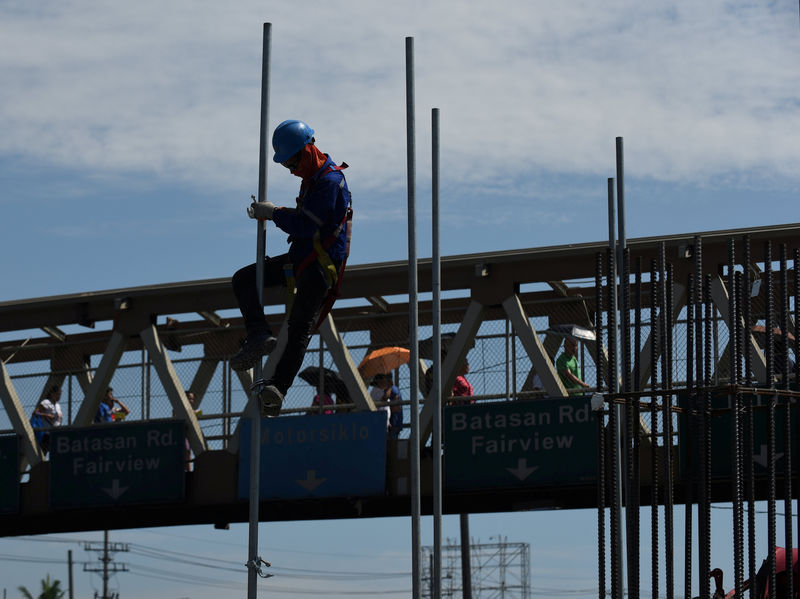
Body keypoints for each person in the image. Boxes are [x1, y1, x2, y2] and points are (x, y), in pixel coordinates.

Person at [231, 119, 352, 418]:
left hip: (319, 267)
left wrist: (273, 213)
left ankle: (277, 389)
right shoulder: (312, 178)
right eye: (287, 165)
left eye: (293, 162)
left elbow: (306, 224)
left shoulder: (329, 182)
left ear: (309, 149)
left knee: (300, 327)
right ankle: (258, 334)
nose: (292, 169)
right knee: (244, 279)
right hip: (302, 259)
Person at [31, 385, 63, 453]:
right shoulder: (46, 402)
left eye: (60, 394)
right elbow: (35, 413)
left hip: (56, 432)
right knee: (43, 452)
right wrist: (46, 415)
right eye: (57, 394)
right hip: (47, 433)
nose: (59, 397)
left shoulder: (57, 405)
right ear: (52, 394)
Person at [370, 373, 403, 438]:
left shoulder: (387, 390)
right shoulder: (377, 390)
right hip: (383, 420)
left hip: (390, 421)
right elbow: (384, 398)